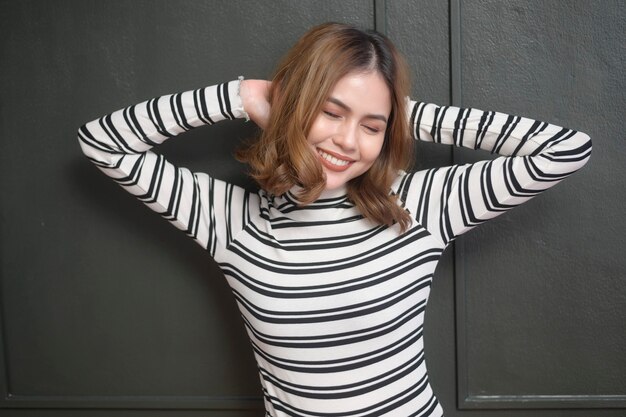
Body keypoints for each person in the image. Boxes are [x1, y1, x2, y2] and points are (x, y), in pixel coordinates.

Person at [78, 22, 591, 417]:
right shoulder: (229, 219)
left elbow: (565, 150)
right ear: (294, 104)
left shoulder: (424, 204)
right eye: (330, 112)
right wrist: (241, 96)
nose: (348, 142)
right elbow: (101, 143)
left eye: (371, 126)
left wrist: (401, 113)